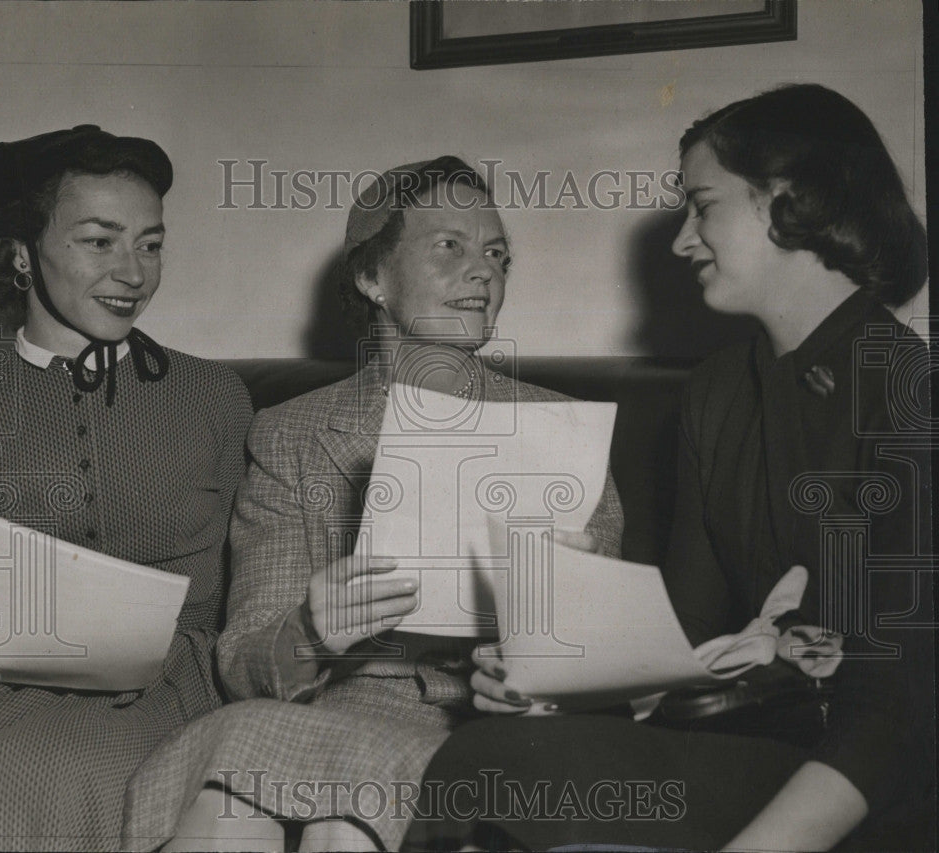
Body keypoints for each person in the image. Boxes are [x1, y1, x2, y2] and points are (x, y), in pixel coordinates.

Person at [401, 84, 934, 852]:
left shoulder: (912, 394)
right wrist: (551, 680)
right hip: (757, 746)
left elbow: (901, 713)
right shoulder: (718, 391)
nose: (684, 240)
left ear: (793, 199)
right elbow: (685, 649)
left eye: (703, 205)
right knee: (490, 758)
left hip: (872, 779)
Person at [121, 156, 625, 852]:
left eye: (497, 254)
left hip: (489, 727)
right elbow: (244, 656)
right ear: (372, 278)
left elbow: (603, 663)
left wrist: (556, 636)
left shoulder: (563, 429)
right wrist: (309, 629)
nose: (484, 272)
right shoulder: (290, 431)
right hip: (335, 714)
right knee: (235, 800)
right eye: (449, 246)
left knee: (338, 821)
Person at [0, 126, 253, 851]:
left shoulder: (213, 396)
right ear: (22, 252)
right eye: (100, 241)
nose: (133, 272)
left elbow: (258, 590)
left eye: (150, 244)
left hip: (175, 692)